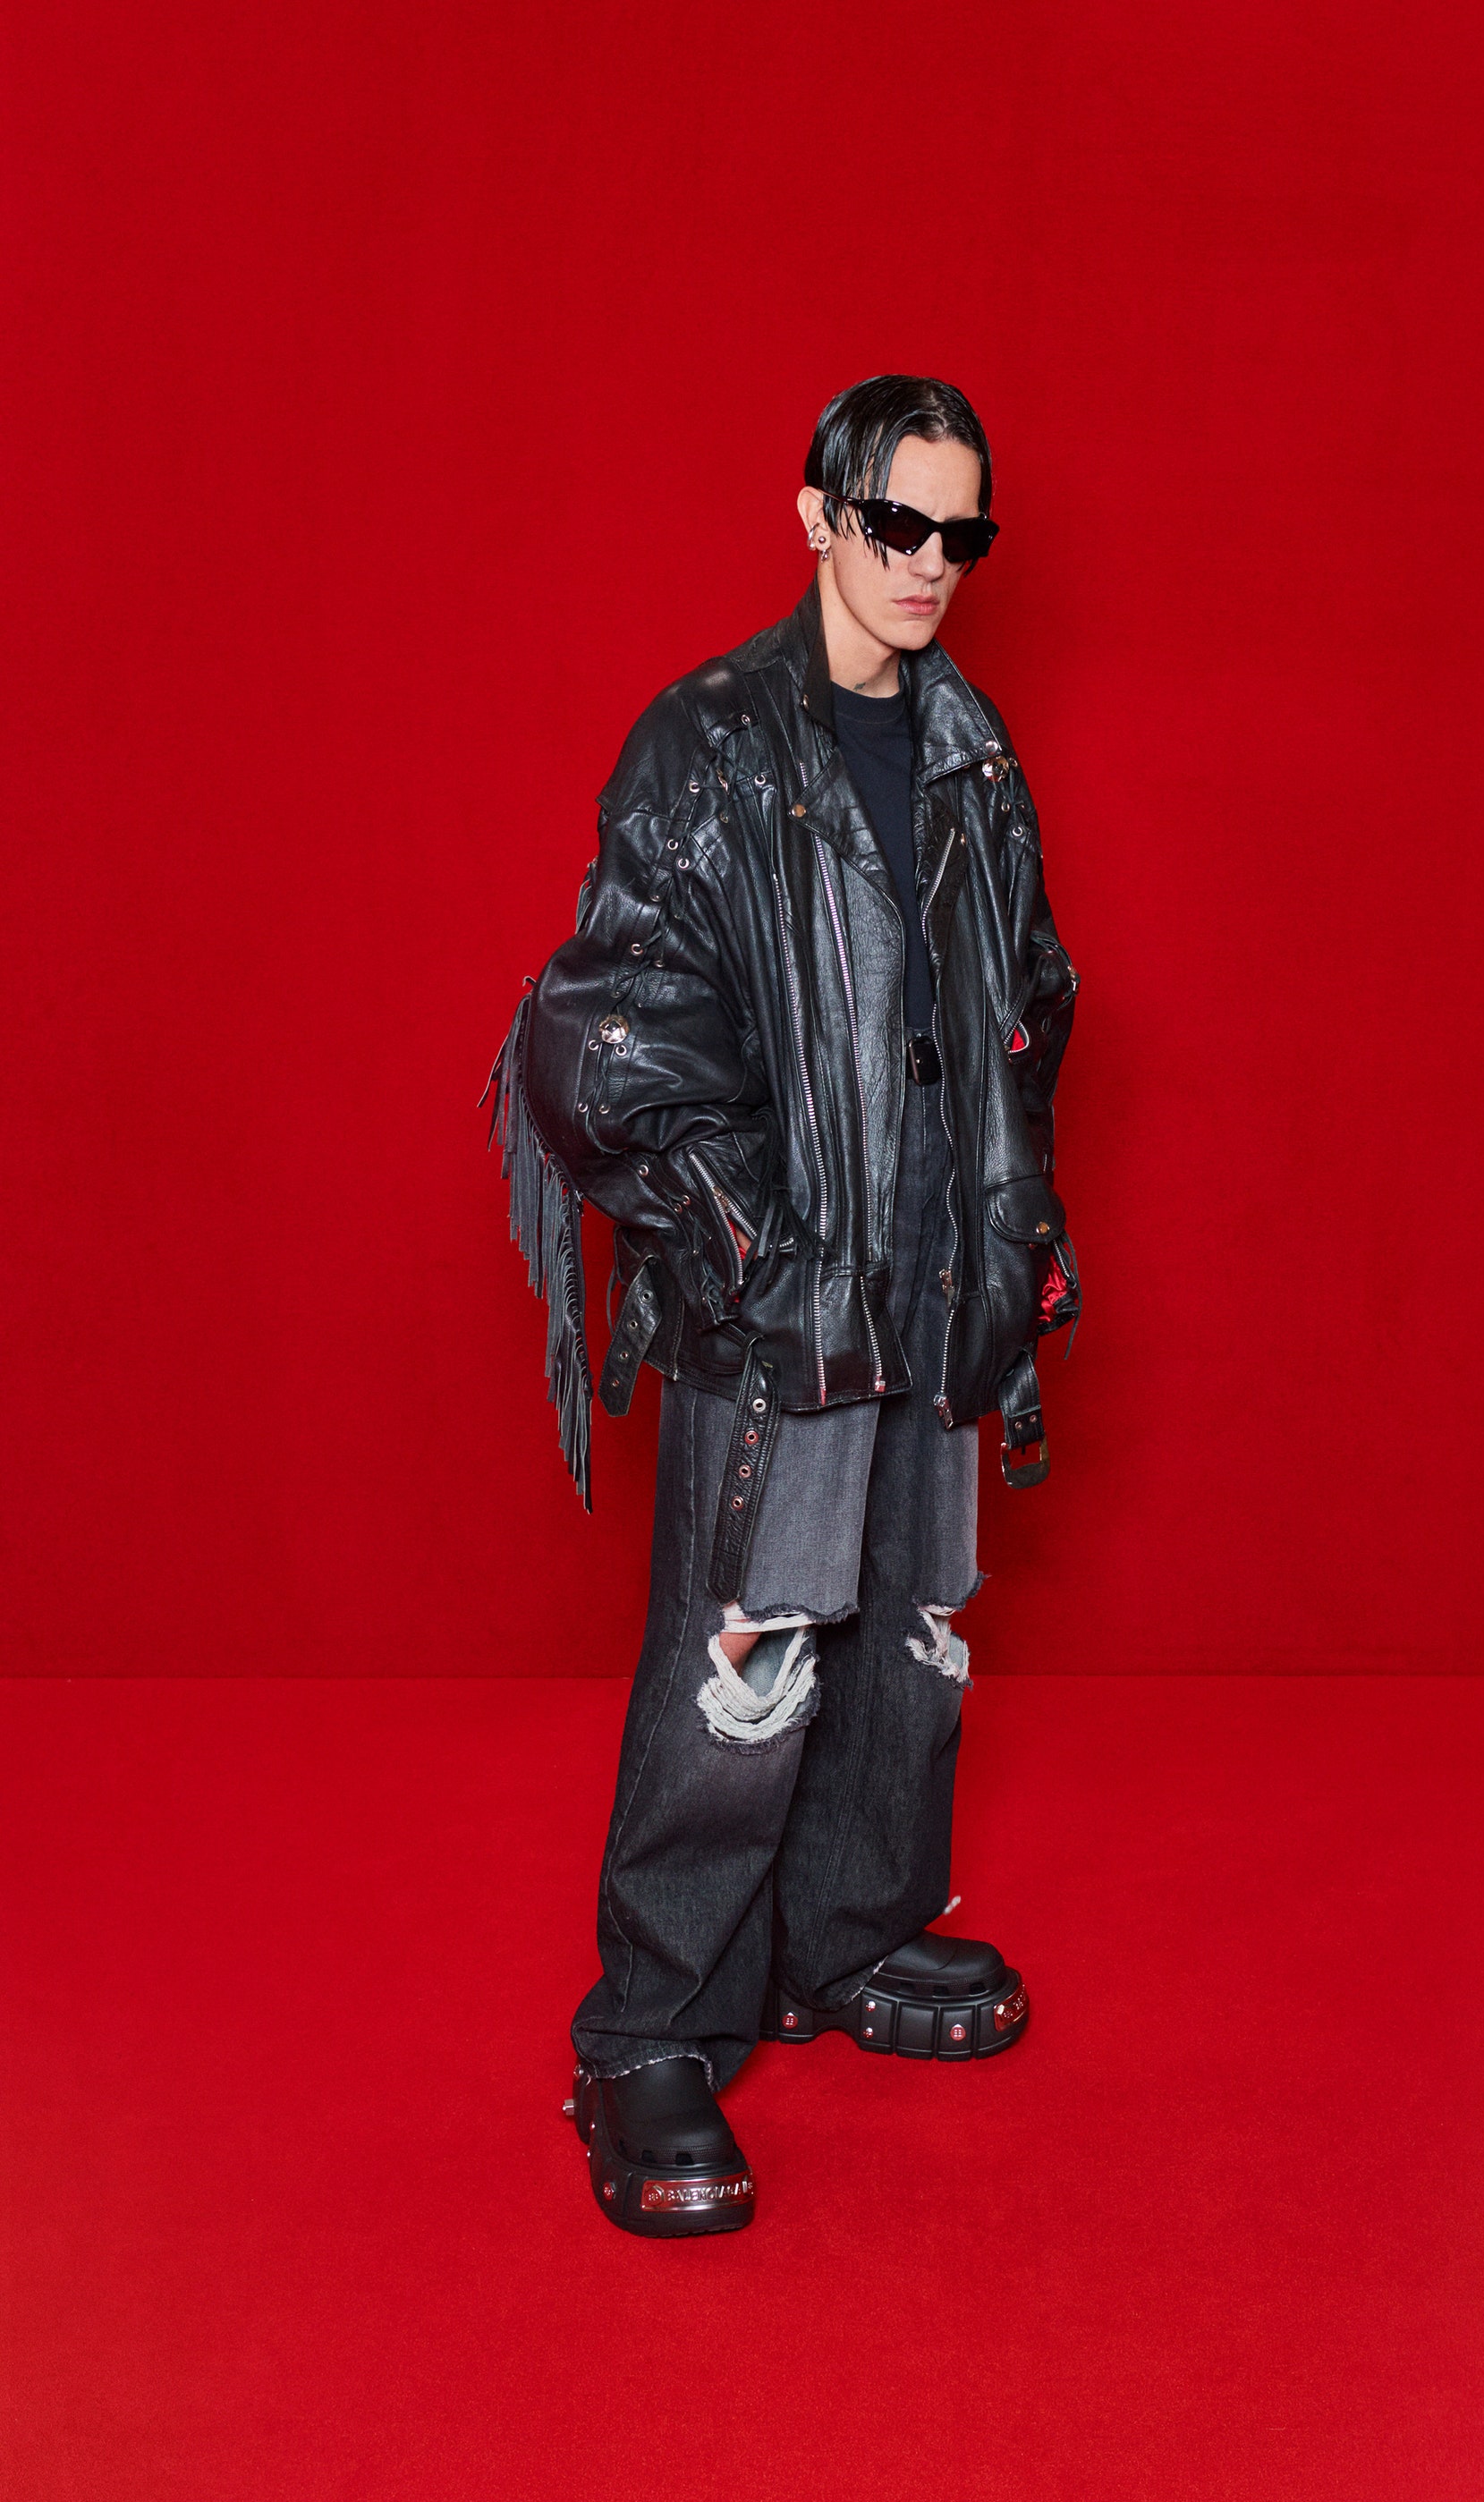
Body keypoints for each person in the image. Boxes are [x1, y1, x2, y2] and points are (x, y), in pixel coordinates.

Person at [488, 375, 1080, 2235]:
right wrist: (749, 1241)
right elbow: (605, 1035)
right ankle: (651, 2029)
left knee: (913, 1630)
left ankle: (851, 1933)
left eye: (960, 533)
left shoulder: (973, 748)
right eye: (896, 522)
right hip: (791, 1291)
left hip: (940, 1275)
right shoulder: (713, 743)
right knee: (748, 1655)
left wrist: (1016, 1226)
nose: (928, 563)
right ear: (819, 515)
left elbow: (1028, 1000)